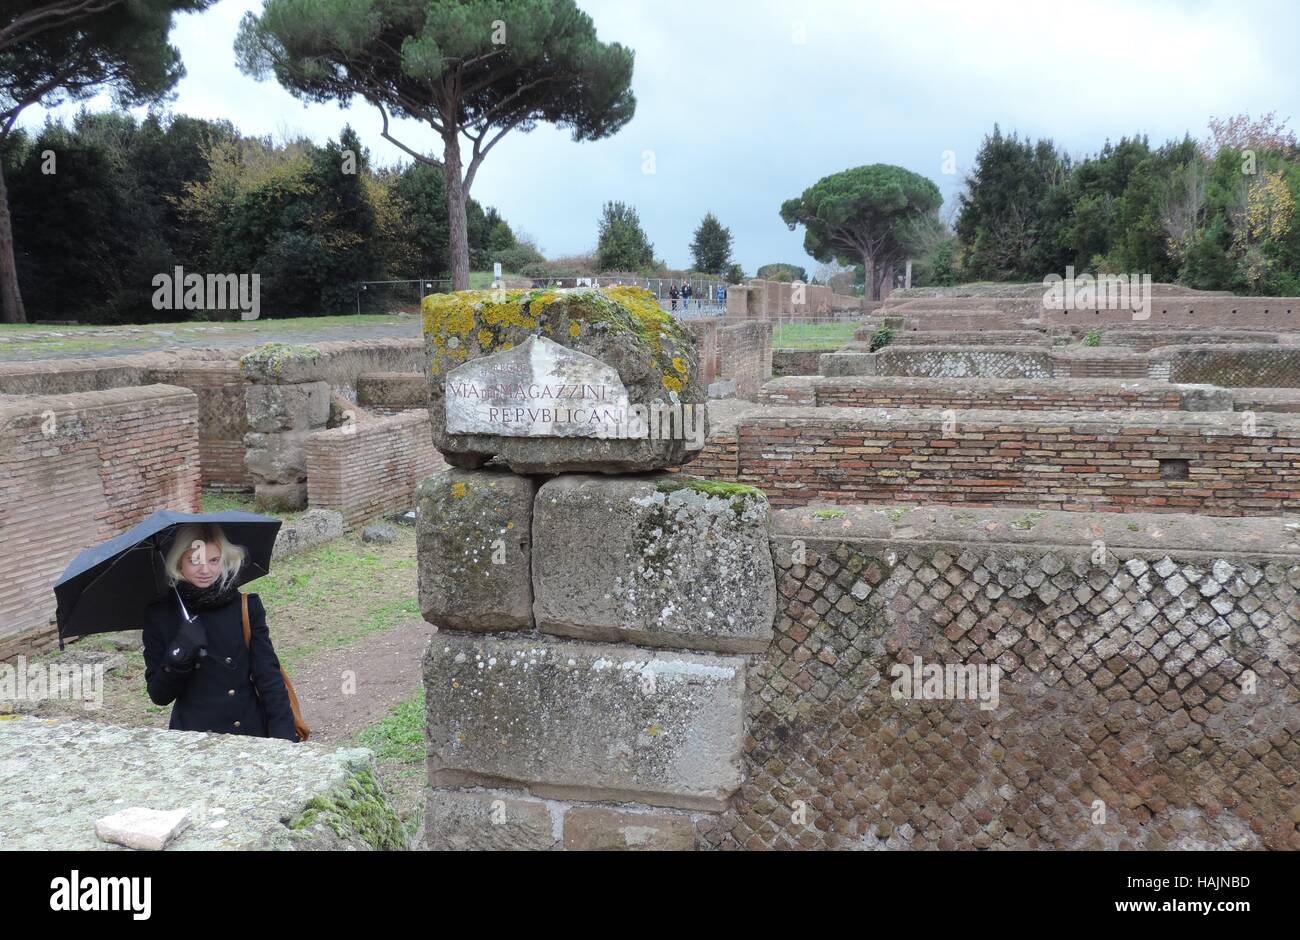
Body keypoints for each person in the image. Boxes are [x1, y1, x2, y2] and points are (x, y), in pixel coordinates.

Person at [142, 523, 298, 741]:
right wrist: (181, 650)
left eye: (213, 560)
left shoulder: (245, 607)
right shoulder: (160, 616)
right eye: (194, 561)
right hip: (193, 739)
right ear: (179, 562)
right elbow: (159, 696)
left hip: (247, 731)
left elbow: (268, 677)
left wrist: (284, 739)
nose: (205, 570)